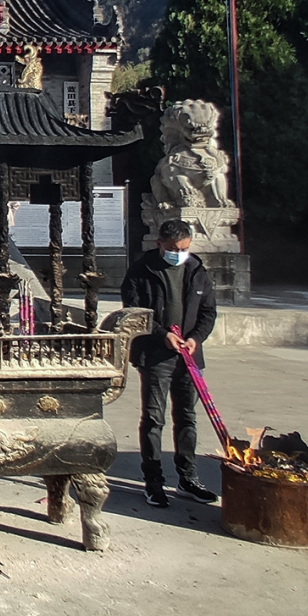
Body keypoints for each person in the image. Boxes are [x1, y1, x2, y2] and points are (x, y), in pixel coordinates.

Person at [120, 218, 219, 509]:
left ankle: (188, 478)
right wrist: (162, 335)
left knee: (187, 416)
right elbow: (135, 311)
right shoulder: (142, 270)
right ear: (160, 244)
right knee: (154, 418)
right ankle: (153, 481)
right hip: (156, 355)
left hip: (189, 355)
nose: (179, 253)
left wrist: (196, 338)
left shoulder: (197, 270)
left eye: (185, 248)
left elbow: (209, 312)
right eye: (174, 248)